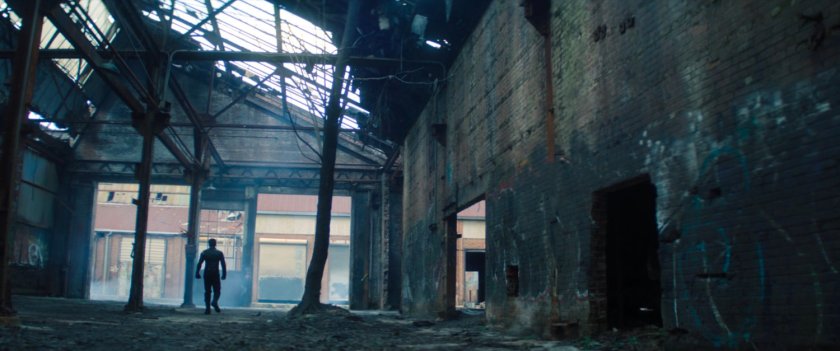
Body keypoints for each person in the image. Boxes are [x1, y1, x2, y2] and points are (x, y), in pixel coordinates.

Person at [196, 238, 226, 314]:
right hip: (215, 273)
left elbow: (200, 263)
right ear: (215, 244)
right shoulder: (219, 253)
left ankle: (208, 309)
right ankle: (214, 301)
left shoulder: (204, 253)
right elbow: (223, 264)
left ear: (209, 244)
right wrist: (224, 274)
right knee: (217, 290)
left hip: (207, 273)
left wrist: (197, 273)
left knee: (207, 291)